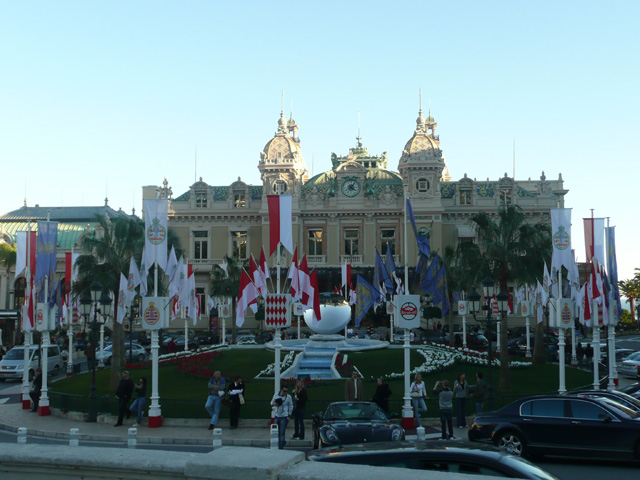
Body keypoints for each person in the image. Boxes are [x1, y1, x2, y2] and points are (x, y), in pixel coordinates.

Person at [271, 385, 293, 449]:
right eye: (284, 391)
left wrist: (289, 415)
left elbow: (290, 406)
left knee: (282, 432)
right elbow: (271, 402)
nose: (285, 392)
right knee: (276, 431)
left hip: (284, 416)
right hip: (277, 415)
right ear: (281, 390)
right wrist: (274, 404)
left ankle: (281, 447)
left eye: (286, 391)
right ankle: (280, 443)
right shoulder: (276, 395)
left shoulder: (288, 397)